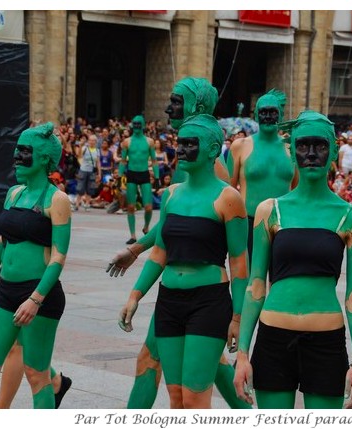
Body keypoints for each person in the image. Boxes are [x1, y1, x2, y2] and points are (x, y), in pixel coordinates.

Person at [107, 77, 250, 410]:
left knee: (162, 368)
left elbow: (208, 232)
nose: (168, 107)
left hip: (207, 296)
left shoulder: (213, 168)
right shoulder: (184, 166)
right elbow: (172, 228)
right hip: (173, 296)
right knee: (195, 377)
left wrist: (238, 317)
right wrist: (137, 252)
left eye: (175, 101)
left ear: (196, 107)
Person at [233, 110, 352, 409]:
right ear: (292, 152)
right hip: (273, 339)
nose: (310, 154)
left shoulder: (351, 216)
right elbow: (255, 286)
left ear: (333, 151)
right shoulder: (270, 210)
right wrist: (242, 354)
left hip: (327, 342)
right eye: (302, 146)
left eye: (319, 146)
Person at [0, 122, 71, 408]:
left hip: (40, 294)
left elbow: (59, 256)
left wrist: (36, 299)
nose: (17, 157)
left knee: (36, 374)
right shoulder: (14, 193)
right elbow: (5, 239)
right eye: (17, 150)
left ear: (43, 159)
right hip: (5, 291)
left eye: (24, 152)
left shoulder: (57, 199)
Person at [226, 88, 297, 264]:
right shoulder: (240, 146)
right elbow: (227, 191)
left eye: (272, 112)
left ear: (280, 115)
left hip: (284, 224)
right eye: (263, 112)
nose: (268, 117)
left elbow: (297, 189)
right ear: (256, 116)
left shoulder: (292, 148)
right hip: (248, 223)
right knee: (250, 283)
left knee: (279, 283)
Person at [118, 115, 160, 244]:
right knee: (130, 207)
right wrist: (119, 176)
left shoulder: (149, 142)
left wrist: (157, 177)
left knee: (148, 207)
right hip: (131, 174)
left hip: (144, 174)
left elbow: (154, 160)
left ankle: (146, 227)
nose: (136, 126)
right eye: (134, 124)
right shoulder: (127, 142)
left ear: (142, 125)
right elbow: (123, 161)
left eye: (138, 124)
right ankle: (133, 235)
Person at [74, 134, 101, 211]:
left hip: (92, 171)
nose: (92, 142)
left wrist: (99, 173)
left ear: (96, 142)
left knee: (90, 188)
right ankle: (77, 204)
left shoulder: (97, 150)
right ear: (88, 141)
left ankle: (87, 204)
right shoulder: (84, 148)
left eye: (93, 140)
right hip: (83, 170)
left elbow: (98, 162)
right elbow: (79, 156)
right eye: (90, 140)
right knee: (80, 187)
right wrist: (80, 146)